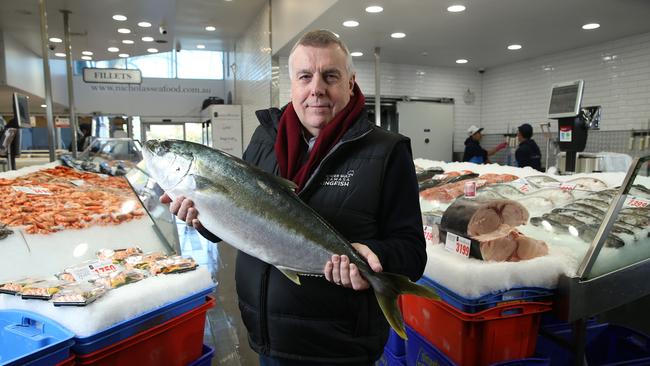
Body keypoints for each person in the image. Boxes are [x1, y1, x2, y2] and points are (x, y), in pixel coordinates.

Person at [161, 30, 426, 365]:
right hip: (266, 338)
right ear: (293, 84)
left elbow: (413, 253)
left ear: (351, 82)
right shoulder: (264, 137)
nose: (316, 88)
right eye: (305, 76)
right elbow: (237, 221)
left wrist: (374, 255)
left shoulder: (386, 151)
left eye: (331, 76)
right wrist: (201, 216)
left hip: (338, 348)